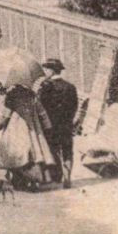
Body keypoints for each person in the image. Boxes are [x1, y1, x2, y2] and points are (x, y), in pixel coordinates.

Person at [0, 82, 57, 191]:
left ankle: (19, 179)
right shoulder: (32, 95)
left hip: (15, 129)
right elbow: (42, 113)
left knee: (14, 153)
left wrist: (0, 125)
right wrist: (48, 127)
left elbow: (5, 115)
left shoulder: (11, 96)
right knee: (33, 154)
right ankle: (33, 180)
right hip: (32, 129)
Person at [37, 58, 80, 186]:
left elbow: (41, 107)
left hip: (51, 126)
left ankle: (57, 176)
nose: (45, 72)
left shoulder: (46, 87)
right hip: (66, 124)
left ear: (51, 70)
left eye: (46, 69)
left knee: (53, 150)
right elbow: (74, 106)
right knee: (67, 151)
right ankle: (68, 178)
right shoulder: (70, 87)